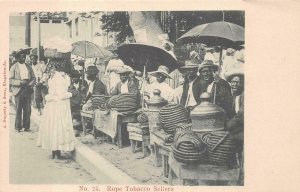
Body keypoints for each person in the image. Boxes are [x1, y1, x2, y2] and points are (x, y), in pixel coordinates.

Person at [36, 59, 75, 159]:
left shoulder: (52, 76)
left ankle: (54, 152)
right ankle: (57, 153)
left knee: (53, 127)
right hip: (59, 105)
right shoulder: (59, 77)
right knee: (59, 127)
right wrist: (71, 94)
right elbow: (61, 94)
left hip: (52, 105)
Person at [224, 66, 244, 185]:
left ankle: (237, 176)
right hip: (238, 127)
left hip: (244, 129)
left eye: (238, 81)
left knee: (229, 141)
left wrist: (228, 126)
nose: (235, 84)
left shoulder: (244, 95)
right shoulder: (234, 95)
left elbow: (241, 115)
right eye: (233, 81)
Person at [9, 49, 36, 132]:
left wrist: (30, 84)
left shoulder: (28, 67)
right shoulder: (14, 67)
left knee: (27, 109)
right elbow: (10, 80)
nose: (23, 59)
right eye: (21, 57)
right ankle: (18, 127)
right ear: (17, 58)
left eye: (24, 57)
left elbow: (33, 78)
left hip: (27, 89)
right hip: (19, 90)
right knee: (18, 109)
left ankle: (27, 127)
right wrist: (20, 82)